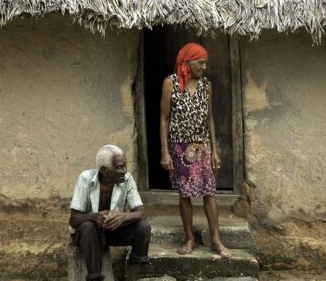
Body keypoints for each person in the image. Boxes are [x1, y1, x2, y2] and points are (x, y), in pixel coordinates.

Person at [159, 42, 232, 258]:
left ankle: (216, 240)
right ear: (189, 62)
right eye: (201, 62)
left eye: (205, 63)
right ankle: (189, 238)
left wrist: (215, 149)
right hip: (180, 147)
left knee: (209, 192)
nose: (204, 66)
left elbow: (210, 118)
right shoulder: (169, 83)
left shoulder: (205, 85)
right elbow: (163, 118)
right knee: (185, 194)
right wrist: (164, 151)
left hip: (202, 146)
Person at [69, 145, 151, 281]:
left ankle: (132, 279)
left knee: (143, 227)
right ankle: (95, 277)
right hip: (87, 236)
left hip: (113, 232)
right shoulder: (85, 179)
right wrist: (94, 217)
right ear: (104, 171)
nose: (124, 171)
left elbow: (140, 212)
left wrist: (123, 216)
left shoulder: (127, 179)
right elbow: (73, 220)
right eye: (119, 167)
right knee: (88, 227)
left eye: (125, 166)